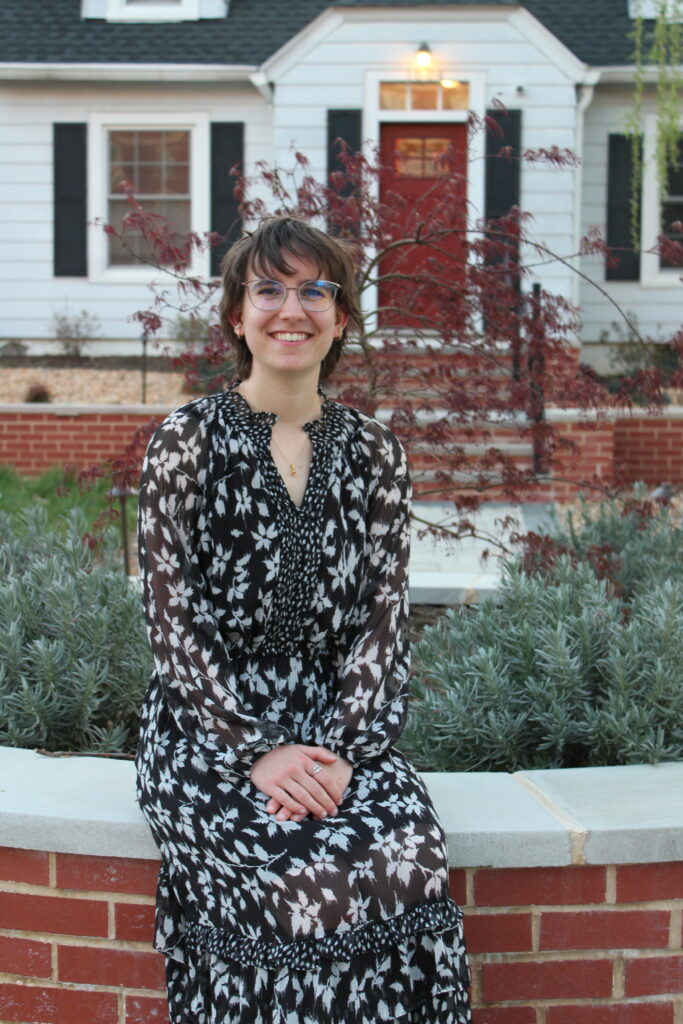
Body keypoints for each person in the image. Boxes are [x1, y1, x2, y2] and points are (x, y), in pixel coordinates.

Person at [135, 215, 471, 1023]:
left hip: (335, 725)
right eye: (270, 290)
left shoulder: (375, 451)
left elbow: (384, 619)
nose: (293, 309)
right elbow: (169, 617)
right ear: (235, 315)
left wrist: (344, 755)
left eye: (315, 290)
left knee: (407, 852)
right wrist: (255, 750)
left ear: (342, 316)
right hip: (208, 729)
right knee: (297, 879)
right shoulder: (185, 443)